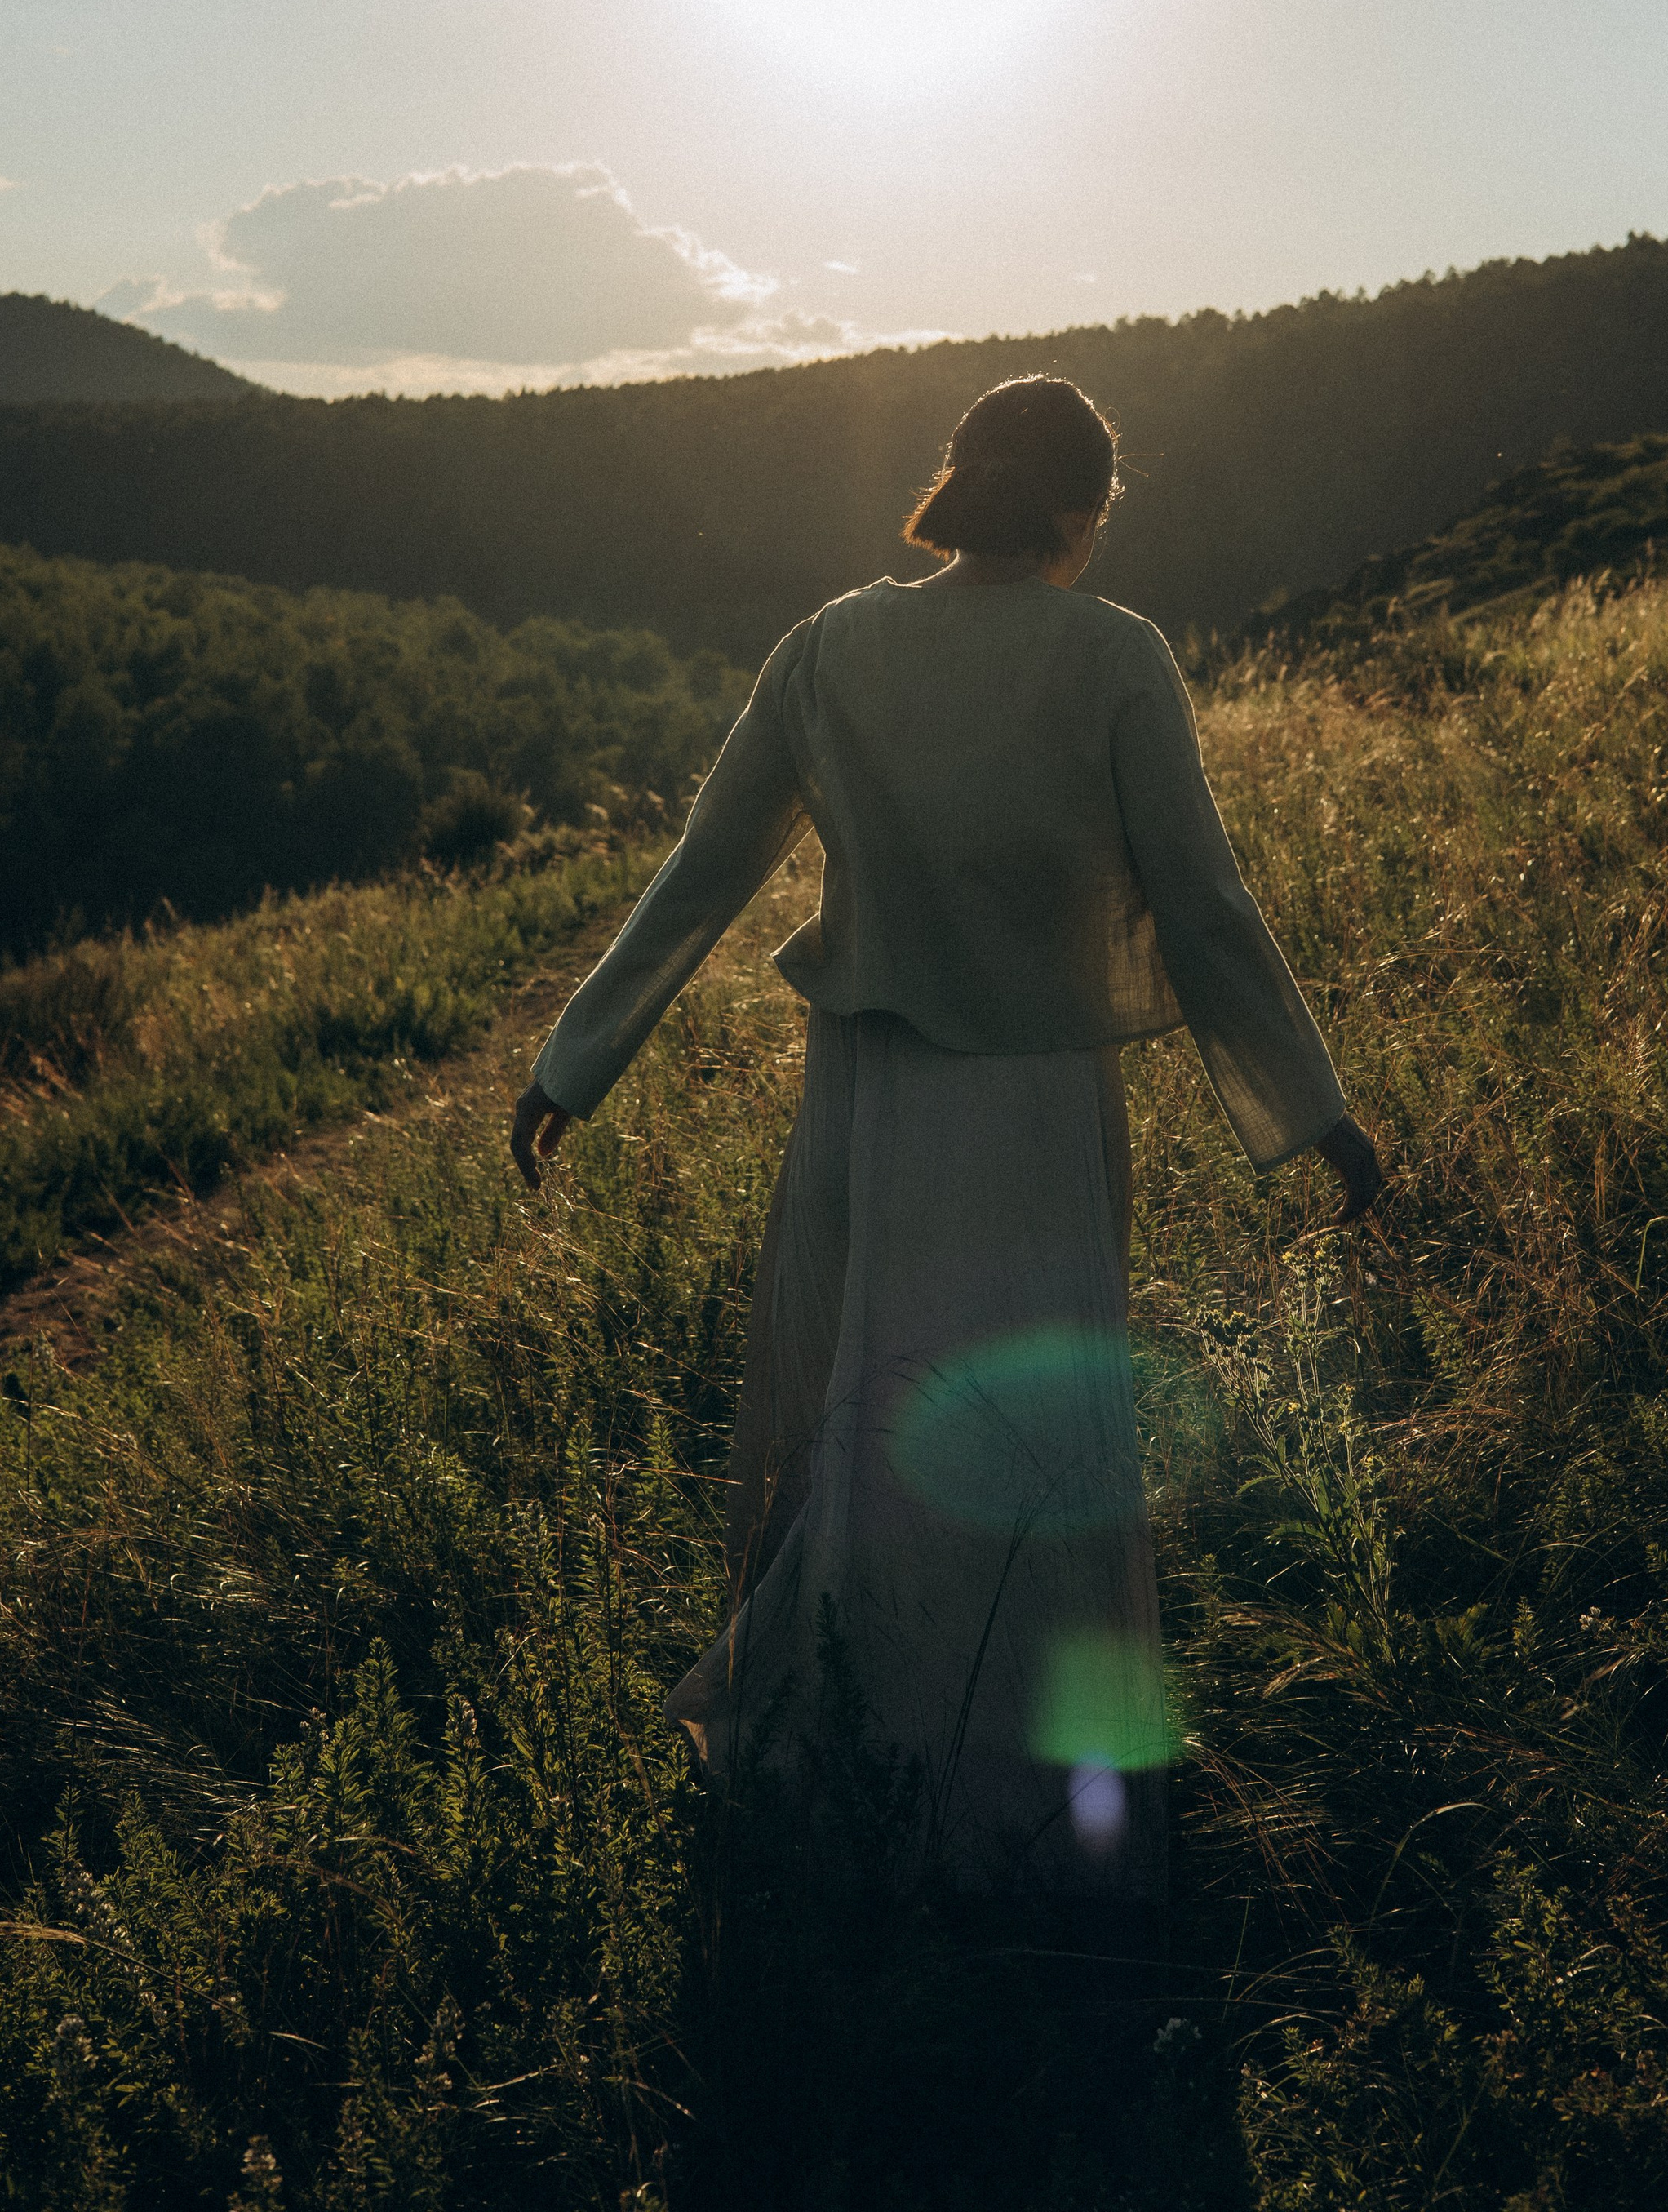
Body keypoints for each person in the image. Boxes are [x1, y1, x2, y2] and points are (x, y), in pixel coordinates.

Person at [508, 374, 1379, 1898]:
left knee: (867, 1428)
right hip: (1037, 1112)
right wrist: (1314, 1116)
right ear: (1073, 508)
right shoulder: (1114, 656)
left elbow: (700, 877)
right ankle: (1039, 1811)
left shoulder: (831, 648)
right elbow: (1206, 911)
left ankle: (845, 1760)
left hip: (871, 1104)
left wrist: (575, 1063)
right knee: (1044, 1454)